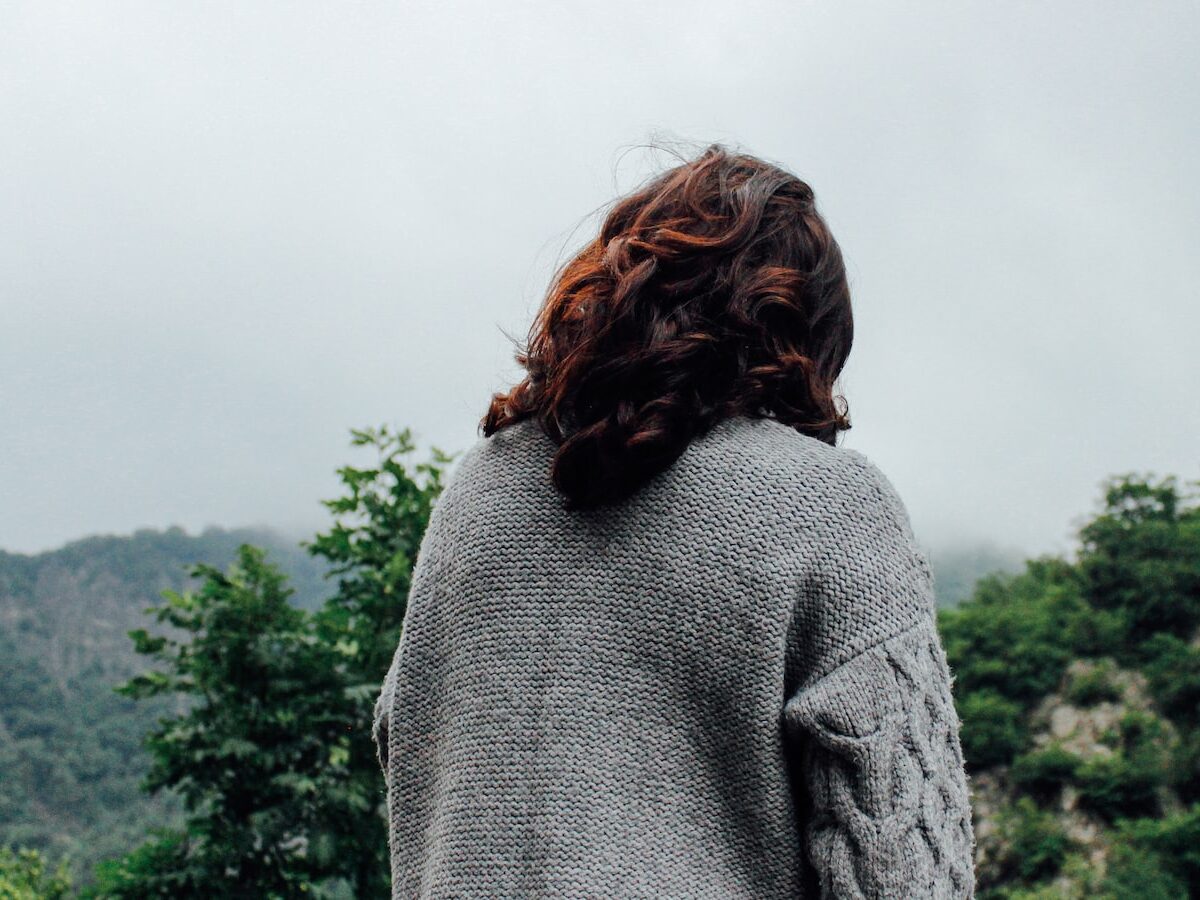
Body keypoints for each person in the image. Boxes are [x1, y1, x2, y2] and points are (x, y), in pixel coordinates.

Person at [373, 143, 976, 898]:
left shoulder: (478, 490)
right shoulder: (831, 504)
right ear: (808, 328)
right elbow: (902, 868)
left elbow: (407, 744)